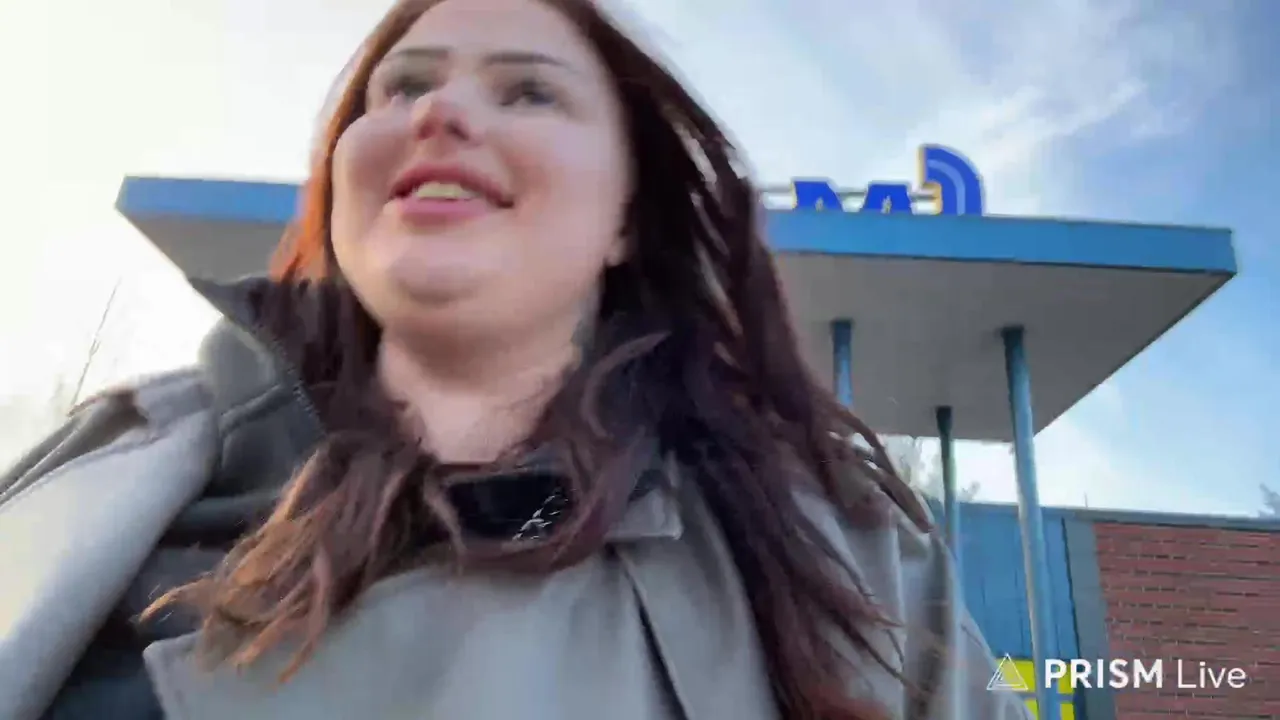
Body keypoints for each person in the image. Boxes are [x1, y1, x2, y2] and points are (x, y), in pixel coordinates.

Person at [1, 0, 1032, 718]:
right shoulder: (115, 457)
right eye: (401, 87)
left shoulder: (838, 551)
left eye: (529, 93)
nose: (437, 113)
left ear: (627, 219)